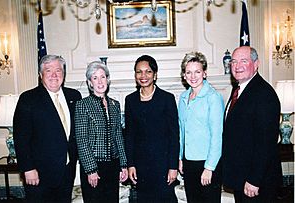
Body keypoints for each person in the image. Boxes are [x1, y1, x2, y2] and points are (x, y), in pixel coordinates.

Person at [13, 55, 82, 203]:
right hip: (39, 174)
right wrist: (28, 168)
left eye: (58, 70)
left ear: (64, 74)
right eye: (48, 70)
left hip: (66, 171)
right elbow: (21, 138)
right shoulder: (28, 99)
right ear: (40, 74)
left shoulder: (74, 96)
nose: (54, 75)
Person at [222, 46, 282, 202]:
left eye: (243, 61)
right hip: (242, 177)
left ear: (256, 64)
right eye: (234, 62)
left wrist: (254, 180)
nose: (237, 66)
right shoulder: (239, 89)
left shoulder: (264, 94)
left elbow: (266, 143)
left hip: (256, 182)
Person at [125, 55, 179, 203]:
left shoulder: (167, 99)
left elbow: (174, 136)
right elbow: (129, 136)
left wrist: (173, 167)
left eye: (148, 71)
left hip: (163, 167)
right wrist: (130, 164)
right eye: (139, 72)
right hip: (140, 168)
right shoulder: (130, 100)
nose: (143, 76)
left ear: (155, 75)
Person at [74, 61, 128, 203]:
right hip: (94, 166)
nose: (100, 81)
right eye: (95, 78)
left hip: (113, 165)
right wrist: (91, 170)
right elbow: (81, 139)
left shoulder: (115, 105)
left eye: (102, 77)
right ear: (90, 82)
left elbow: (118, 136)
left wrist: (123, 165)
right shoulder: (82, 105)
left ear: (108, 79)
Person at [178, 51, 224, 203]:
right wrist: (180, 158)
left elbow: (217, 136)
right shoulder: (183, 98)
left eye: (197, 72)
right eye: (189, 72)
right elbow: (181, 131)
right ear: (184, 75)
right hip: (188, 163)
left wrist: (209, 168)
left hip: (207, 164)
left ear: (204, 73)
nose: (193, 76)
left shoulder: (213, 98)